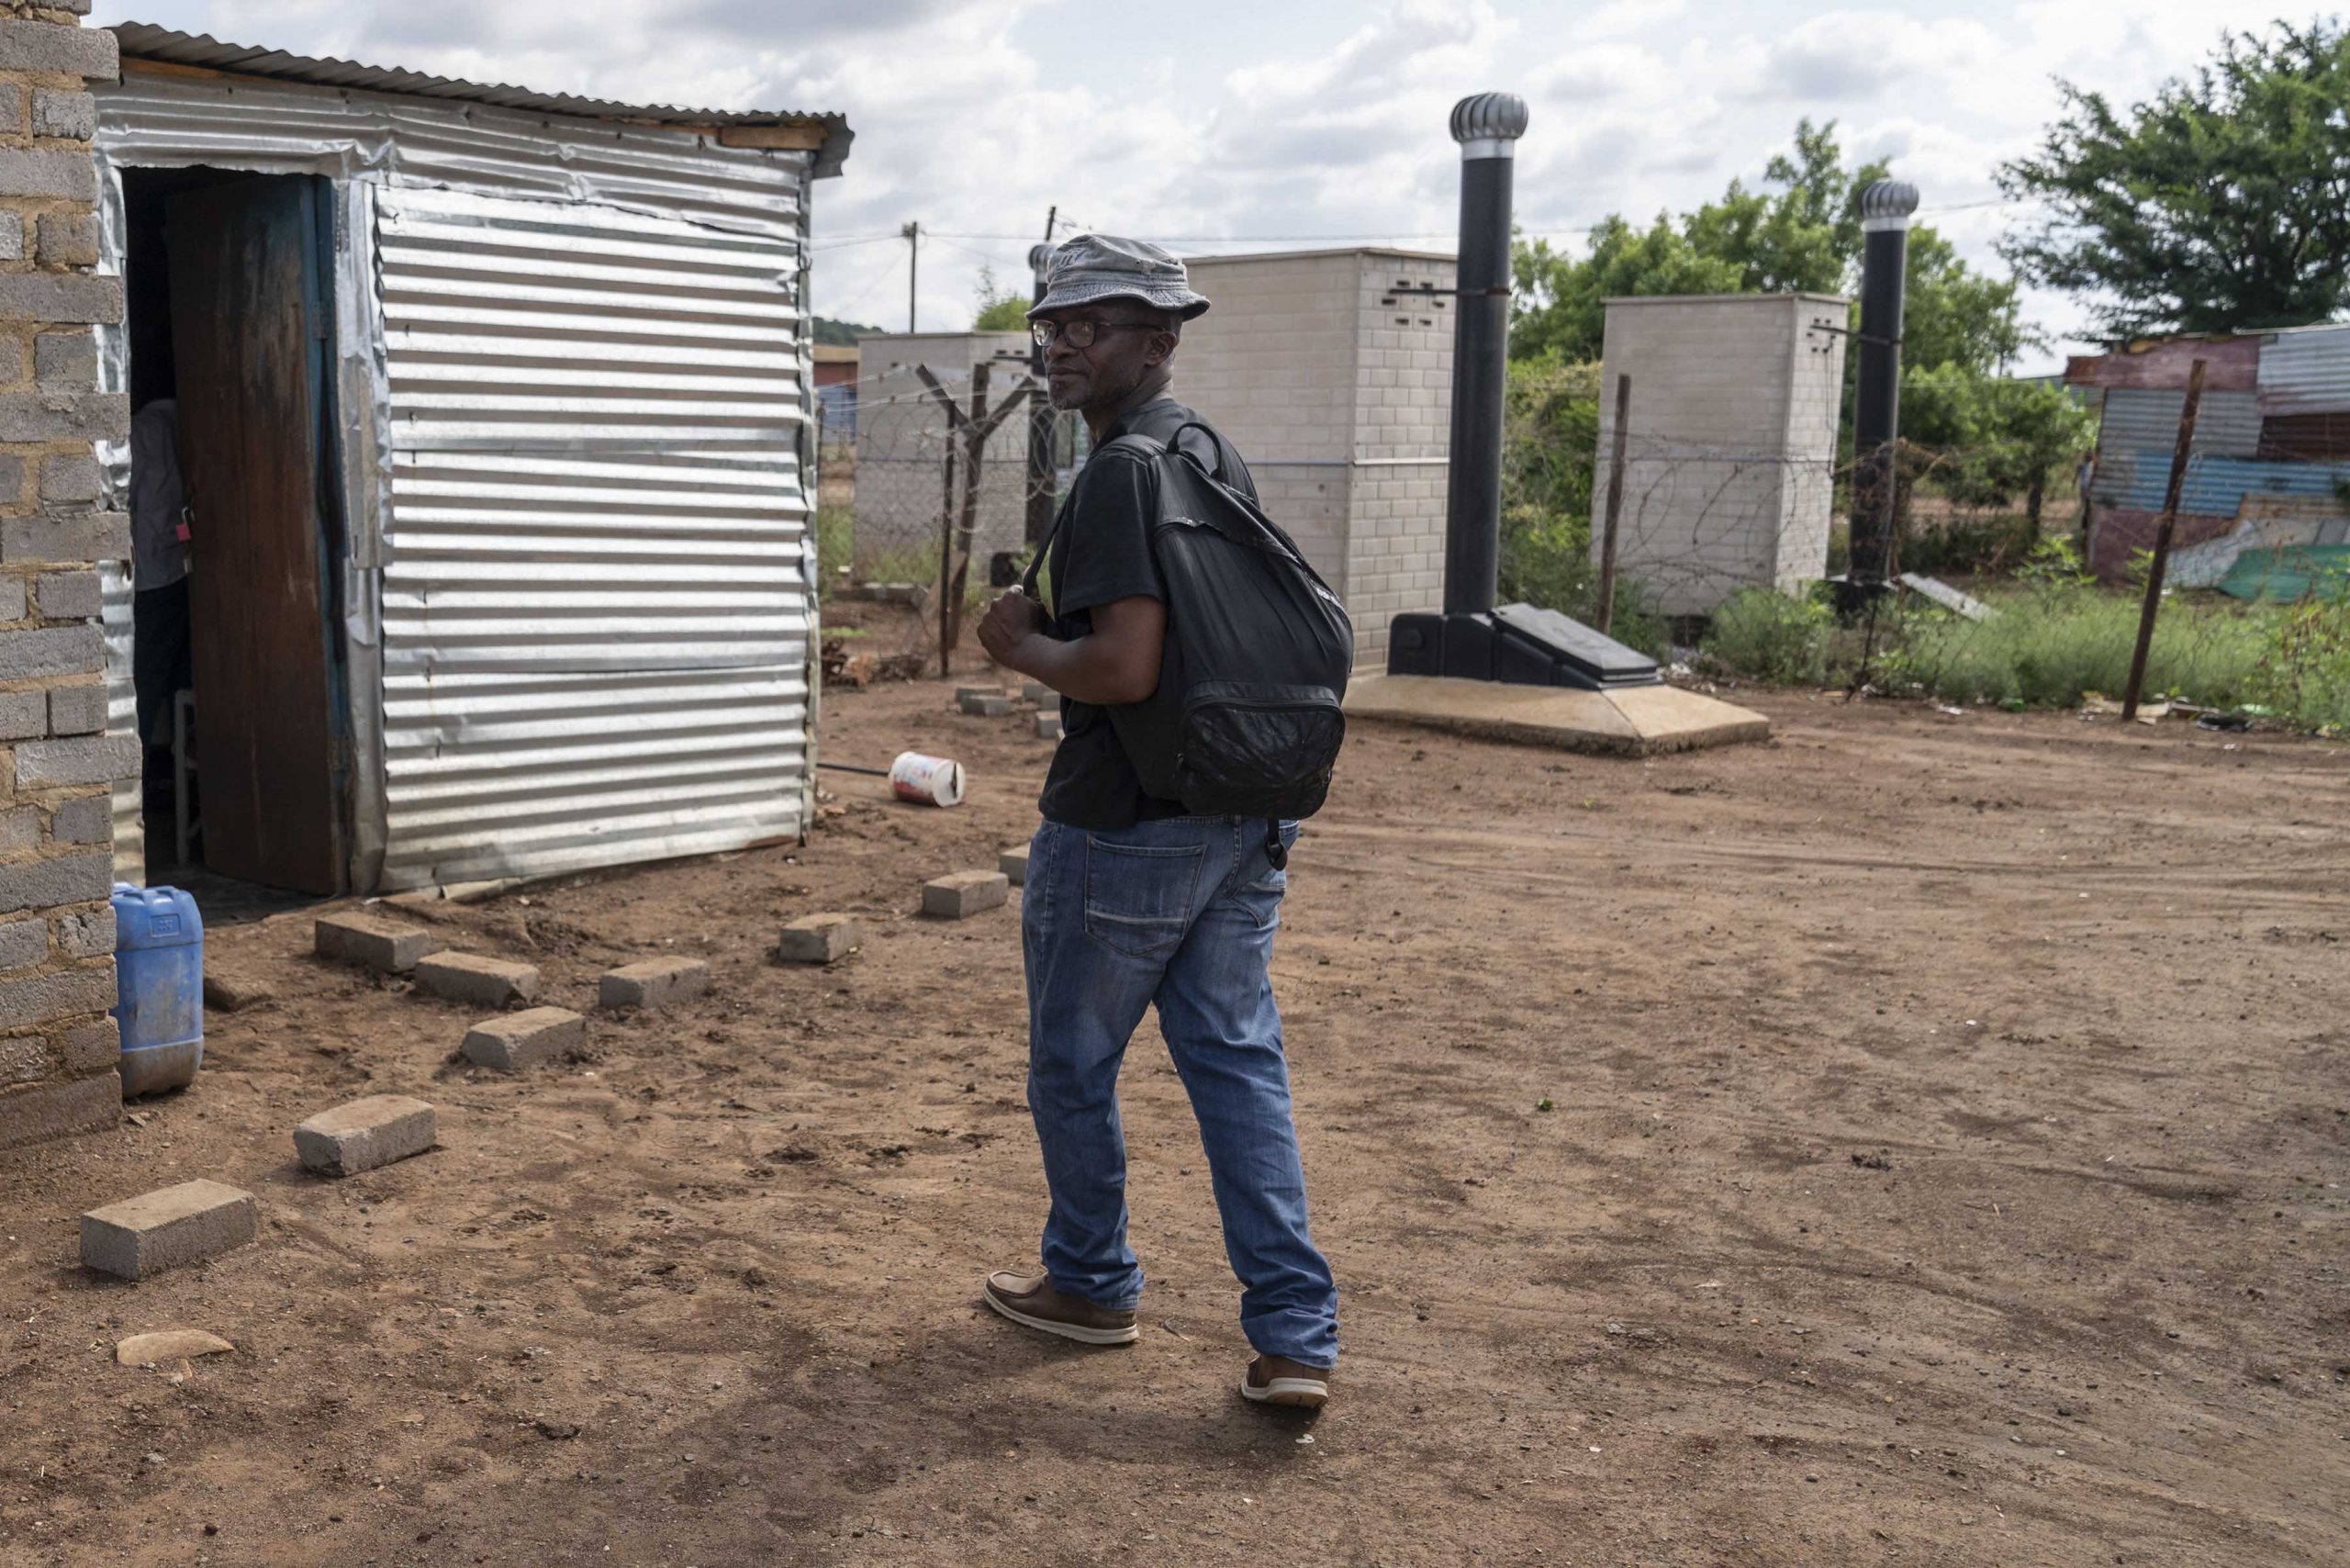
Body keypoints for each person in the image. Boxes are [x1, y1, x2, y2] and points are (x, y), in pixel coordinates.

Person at [973, 235, 1339, 1412]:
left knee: (1072, 1066)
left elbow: (1125, 668)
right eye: (1055, 323)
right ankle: (1295, 1337)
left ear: (1161, 339)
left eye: (1097, 322)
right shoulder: (1205, 450)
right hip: (1243, 816)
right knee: (1237, 1069)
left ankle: (1089, 1282)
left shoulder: (1126, 471)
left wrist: (1017, 644)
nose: (1066, 342)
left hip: (1129, 826)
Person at [129, 396, 194, 831]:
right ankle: (174, 776)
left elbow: (126, 502)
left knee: (148, 682)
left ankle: (146, 781)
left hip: (150, 576)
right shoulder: (185, 427)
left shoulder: (140, 430)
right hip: (182, 568)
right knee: (179, 680)